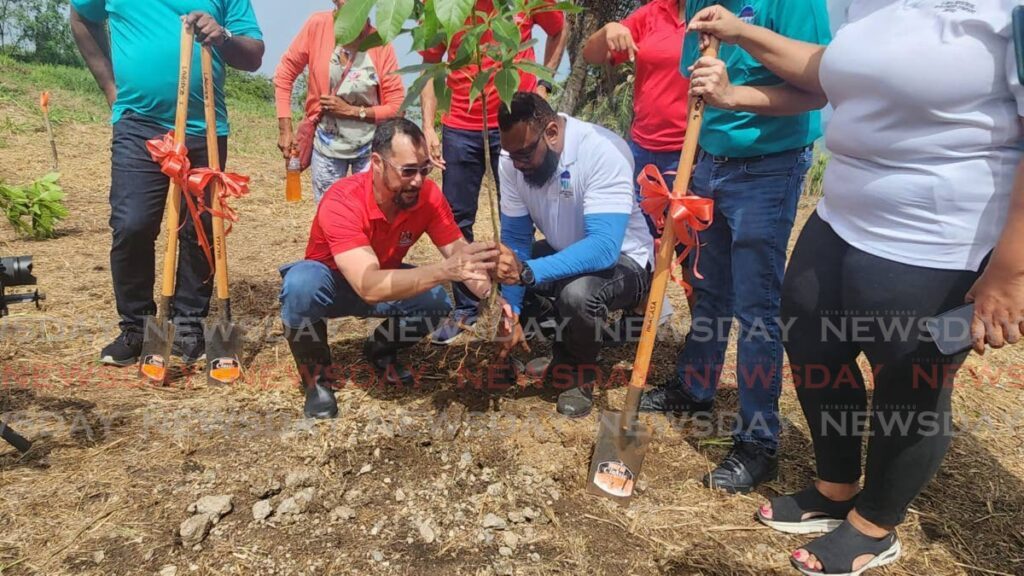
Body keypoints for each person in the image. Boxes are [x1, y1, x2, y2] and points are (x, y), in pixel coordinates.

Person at [689, 2, 1024, 574]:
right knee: (812, 336)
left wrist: (1011, 271)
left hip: (944, 233)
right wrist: (743, 33)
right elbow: (830, 67)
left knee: (911, 374)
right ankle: (834, 487)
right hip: (843, 211)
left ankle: (875, 525)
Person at [637, 0, 831, 495]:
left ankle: (757, 438)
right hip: (709, 161)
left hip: (768, 168)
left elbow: (816, 89)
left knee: (757, 306)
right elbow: (698, 85)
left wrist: (734, 87)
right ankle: (696, 386)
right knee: (708, 287)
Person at [70, 0, 264, 367]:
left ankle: (188, 325)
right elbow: (81, 17)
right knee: (133, 223)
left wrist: (222, 37)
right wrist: (112, 89)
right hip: (138, 123)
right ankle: (137, 328)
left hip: (203, 126)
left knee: (200, 230)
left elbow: (253, 55)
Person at [278, 118, 497, 419]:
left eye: (424, 170)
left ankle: (379, 349)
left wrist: (495, 300)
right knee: (300, 285)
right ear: (377, 163)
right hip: (333, 286)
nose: (418, 180)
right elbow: (367, 285)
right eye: (408, 171)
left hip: (386, 280)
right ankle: (317, 379)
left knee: (435, 302)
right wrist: (444, 271)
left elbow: (460, 254)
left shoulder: (428, 197)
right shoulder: (343, 199)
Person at [493, 92, 653, 417]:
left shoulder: (602, 150)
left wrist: (529, 271)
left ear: (551, 132)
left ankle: (581, 371)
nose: (518, 165)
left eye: (525, 154)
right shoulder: (511, 159)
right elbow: (516, 239)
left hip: (625, 259)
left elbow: (604, 248)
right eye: (512, 155)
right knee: (501, 268)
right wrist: (511, 308)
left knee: (578, 296)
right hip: (565, 249)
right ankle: (564, 351)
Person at [419, 0, 568, 345]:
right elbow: (430, 64)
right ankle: (467, 307)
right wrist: (428, 126)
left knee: (521, 216)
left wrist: (543, 84)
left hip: (515, 124)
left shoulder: (526, 3)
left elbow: (560, 28)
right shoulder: (443, 6)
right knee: (456, 218)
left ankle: (522, 304)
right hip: (460, 125)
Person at [581, 0, 691, 338]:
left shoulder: (717, 14)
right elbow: (592, 53)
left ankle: (702, 343)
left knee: (692, 250)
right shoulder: (654, 12)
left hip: (691, 151)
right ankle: (639, 319)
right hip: (643, 150)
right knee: (640, 242)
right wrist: (609, 31)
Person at [274, 0, 405, 203]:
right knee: (330, 213)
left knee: (371, 212)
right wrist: (285, 128)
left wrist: (353, 111)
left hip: (370, 148)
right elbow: (285, 74)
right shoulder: (317, 26)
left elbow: (397, 106)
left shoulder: (379, 42)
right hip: (327, 146)